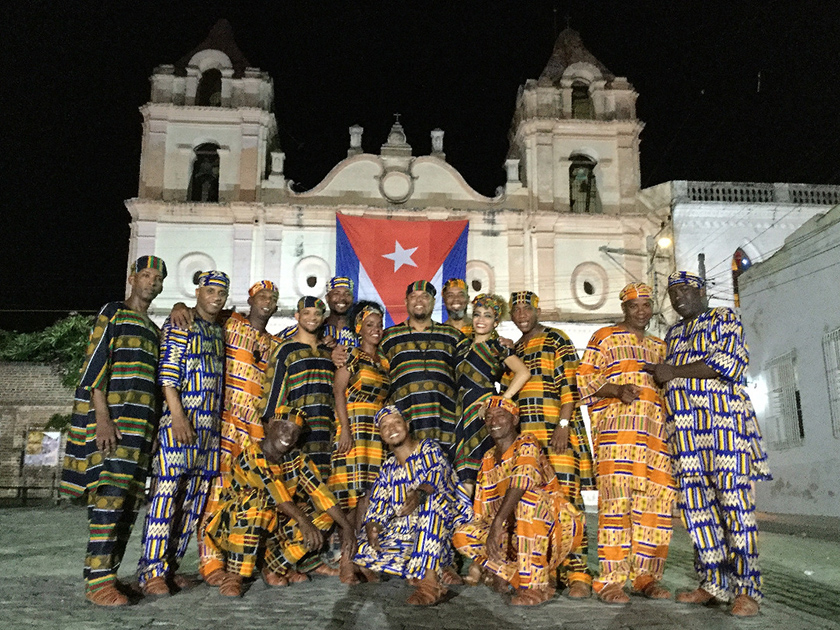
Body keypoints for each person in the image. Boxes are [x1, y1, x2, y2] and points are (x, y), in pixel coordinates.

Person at [645, 271, 771, 617]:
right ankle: (714, 584)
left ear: (702, 291)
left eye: (685, 289)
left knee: (734, 506)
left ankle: (747, 591)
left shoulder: (724, 318)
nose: (678, 296)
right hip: (684, 435)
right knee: (696, 509)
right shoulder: (673, 334)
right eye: (672, 292)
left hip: (724, 427)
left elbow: (728, 363)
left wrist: (673, 372)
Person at [59, 255, 167, 606]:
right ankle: (97, 583)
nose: (151, 281)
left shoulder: (153, 330)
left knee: (127, 506)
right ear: (133, 278)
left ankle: (109, 575)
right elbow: (94, 367)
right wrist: (102, 417)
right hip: (114, 426)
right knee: (108, 501)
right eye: (146, 275)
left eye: (157, 278)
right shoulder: (113, 312)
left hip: (140, 430)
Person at [577, 282, 676, 604]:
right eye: (635, 306)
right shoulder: (603, 337)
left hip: (655, 442)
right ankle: (611, 580)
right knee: (615, 509)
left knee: (656, 510)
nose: (642, 311)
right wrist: (616, 390)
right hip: (616, 439)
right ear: (624, 308)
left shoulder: (661, 346)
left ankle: (646, 576)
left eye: (647, 305)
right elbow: (583, 380)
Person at [137, 270, 228, 596]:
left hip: (208, 434)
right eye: (211, 291)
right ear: (198, 292)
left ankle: (171, 566)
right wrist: (177, 416)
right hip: (180, 427)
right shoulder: (181, 325)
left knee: (192, 503)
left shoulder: (219, 332)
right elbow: (168, 375)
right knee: (165, 498)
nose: (216, 297)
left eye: (222, 292)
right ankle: (152, 571)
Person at [203, 407, 356, 596]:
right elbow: (274, 492)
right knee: (257, 501)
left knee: (324, 516)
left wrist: (346, 527)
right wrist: (302, 519)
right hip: (231, 529)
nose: (289, 436)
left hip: (271, 529)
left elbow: (321, 493)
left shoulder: (297, 459)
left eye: (295, 433)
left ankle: (275, 566)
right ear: (270, 427)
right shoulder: (252, 455)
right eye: (284, 429)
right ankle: (235, 576)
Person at [453, 397, 584, 606]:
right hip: (513, 536)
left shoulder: (527, 442)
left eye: (500, 415)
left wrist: (497, 524)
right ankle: (514, 576)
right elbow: (483, 513)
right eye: (489, 417)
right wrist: (488, 563)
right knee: (462, 535)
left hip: (551, 530)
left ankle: (535, 587)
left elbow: (522, 481)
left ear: (514, 420)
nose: (493, 421)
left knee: (527, 501)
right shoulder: (487, 458)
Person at [509, 290, 595, 597]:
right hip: (529, 441)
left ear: (537, 310)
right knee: (539, 504)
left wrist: (562, 425)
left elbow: (570, 385)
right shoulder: (515, 349)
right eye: (515, 310)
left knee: (568, 503)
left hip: (556, 435)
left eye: (526, 309)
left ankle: (579, 573)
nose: (521, 314)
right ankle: (550, 571)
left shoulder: (556, 338)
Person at [194, 280, 279, 585]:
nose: (266, 301)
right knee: (216, 491)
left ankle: (239, 560)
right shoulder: (230, 322)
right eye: (262, 296)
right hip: (226, 422)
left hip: (255, 430)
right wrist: (180, 307)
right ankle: (210, 562)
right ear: (250, 299)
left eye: (272, 298)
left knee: (247, 495)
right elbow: (200, 312)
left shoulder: (274, 344)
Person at [354, 406, 472, 606]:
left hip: (441, 520)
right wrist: (373, 525)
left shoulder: (428, 448)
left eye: (396, 422)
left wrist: (420, 493)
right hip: (408, 531)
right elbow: (378, 505)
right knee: (365, 547)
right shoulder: (388, 467)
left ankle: (430, 584)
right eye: (385, 426)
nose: (392, 428)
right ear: (381, 435)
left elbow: (437, 476)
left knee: (432, 504)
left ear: (407, 426)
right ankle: (439, 564)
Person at [328, 301, 390, 583]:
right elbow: (338, 392)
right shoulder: (350, 356)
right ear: (358, 329)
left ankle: (363, 559)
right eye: (369, 325)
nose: (375, 330)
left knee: (368, 497)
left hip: (374, 434)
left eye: (379, 325)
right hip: (352, 427)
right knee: (348, 497)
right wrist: (344, 429)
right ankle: (345, 562)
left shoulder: (384, 362)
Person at [453, 294, 530, 495]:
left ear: (495, 322)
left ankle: (479, 514)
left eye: (487, 316)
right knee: (460, 463)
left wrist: (500, 401)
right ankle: (465, 517)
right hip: (460, 409)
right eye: (477, 314)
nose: (481, 320)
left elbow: (523, 373)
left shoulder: (498, 347)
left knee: (478, 461)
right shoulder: (461, 347)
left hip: (481, 409)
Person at [377, 280, 463, 456]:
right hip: (406, 422)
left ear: (433, 302)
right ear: (405, 302)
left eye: (425, 297)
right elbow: (376, 372)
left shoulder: (452, 336)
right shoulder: (389, 337)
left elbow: (466, 374)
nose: (419, 301)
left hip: (445, 421)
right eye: (413, 297)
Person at [263, 296, 336, 484]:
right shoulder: (285, 351)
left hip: (326, 434)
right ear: (297, 316)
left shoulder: (329, 353)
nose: (312, 317)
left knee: (324, 491)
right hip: (294, 435)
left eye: (317, 314)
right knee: (295, 487)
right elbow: (272, 400)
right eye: (306, 313)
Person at [278, 276, 357, 347]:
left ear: (352, 298)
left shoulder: (360, 329)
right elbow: (275, 343)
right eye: (336, 293)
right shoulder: (313, 326)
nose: (342, 298)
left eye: (347, 294)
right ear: (327, 298)